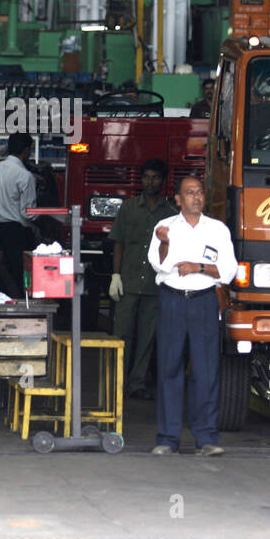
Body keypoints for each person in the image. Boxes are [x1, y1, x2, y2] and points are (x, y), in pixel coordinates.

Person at [147, 175, 238, 456]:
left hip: (203, 303)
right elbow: (158, 265)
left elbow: (229, 270)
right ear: (178, 199)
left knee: (205, 371)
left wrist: (199, 267)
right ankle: (167, 439)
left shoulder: (218, 229)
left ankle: (206, 439)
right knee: (169, 370)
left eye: (199, 192)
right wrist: (164, 244)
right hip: (173, 301)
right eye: (189, 193)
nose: (196, 197)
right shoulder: (165, 228)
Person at [108, 159, 176, 401]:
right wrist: (115, 275)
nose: (150, 182)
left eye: (155, 177)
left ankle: (136, 383)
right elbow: (119, 242)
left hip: (155, 285)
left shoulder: (171, 215)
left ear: (163, 181)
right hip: (128, 281)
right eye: (146, 177)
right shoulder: (128, 208)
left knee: (147, 337)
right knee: (121, 334)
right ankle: (116, 381)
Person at [0, 132, 37, 298]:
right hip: (16, 233)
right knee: (17, 277)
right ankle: (18, 308)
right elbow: (28, 213)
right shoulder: (25, 176)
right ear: (26, 150)